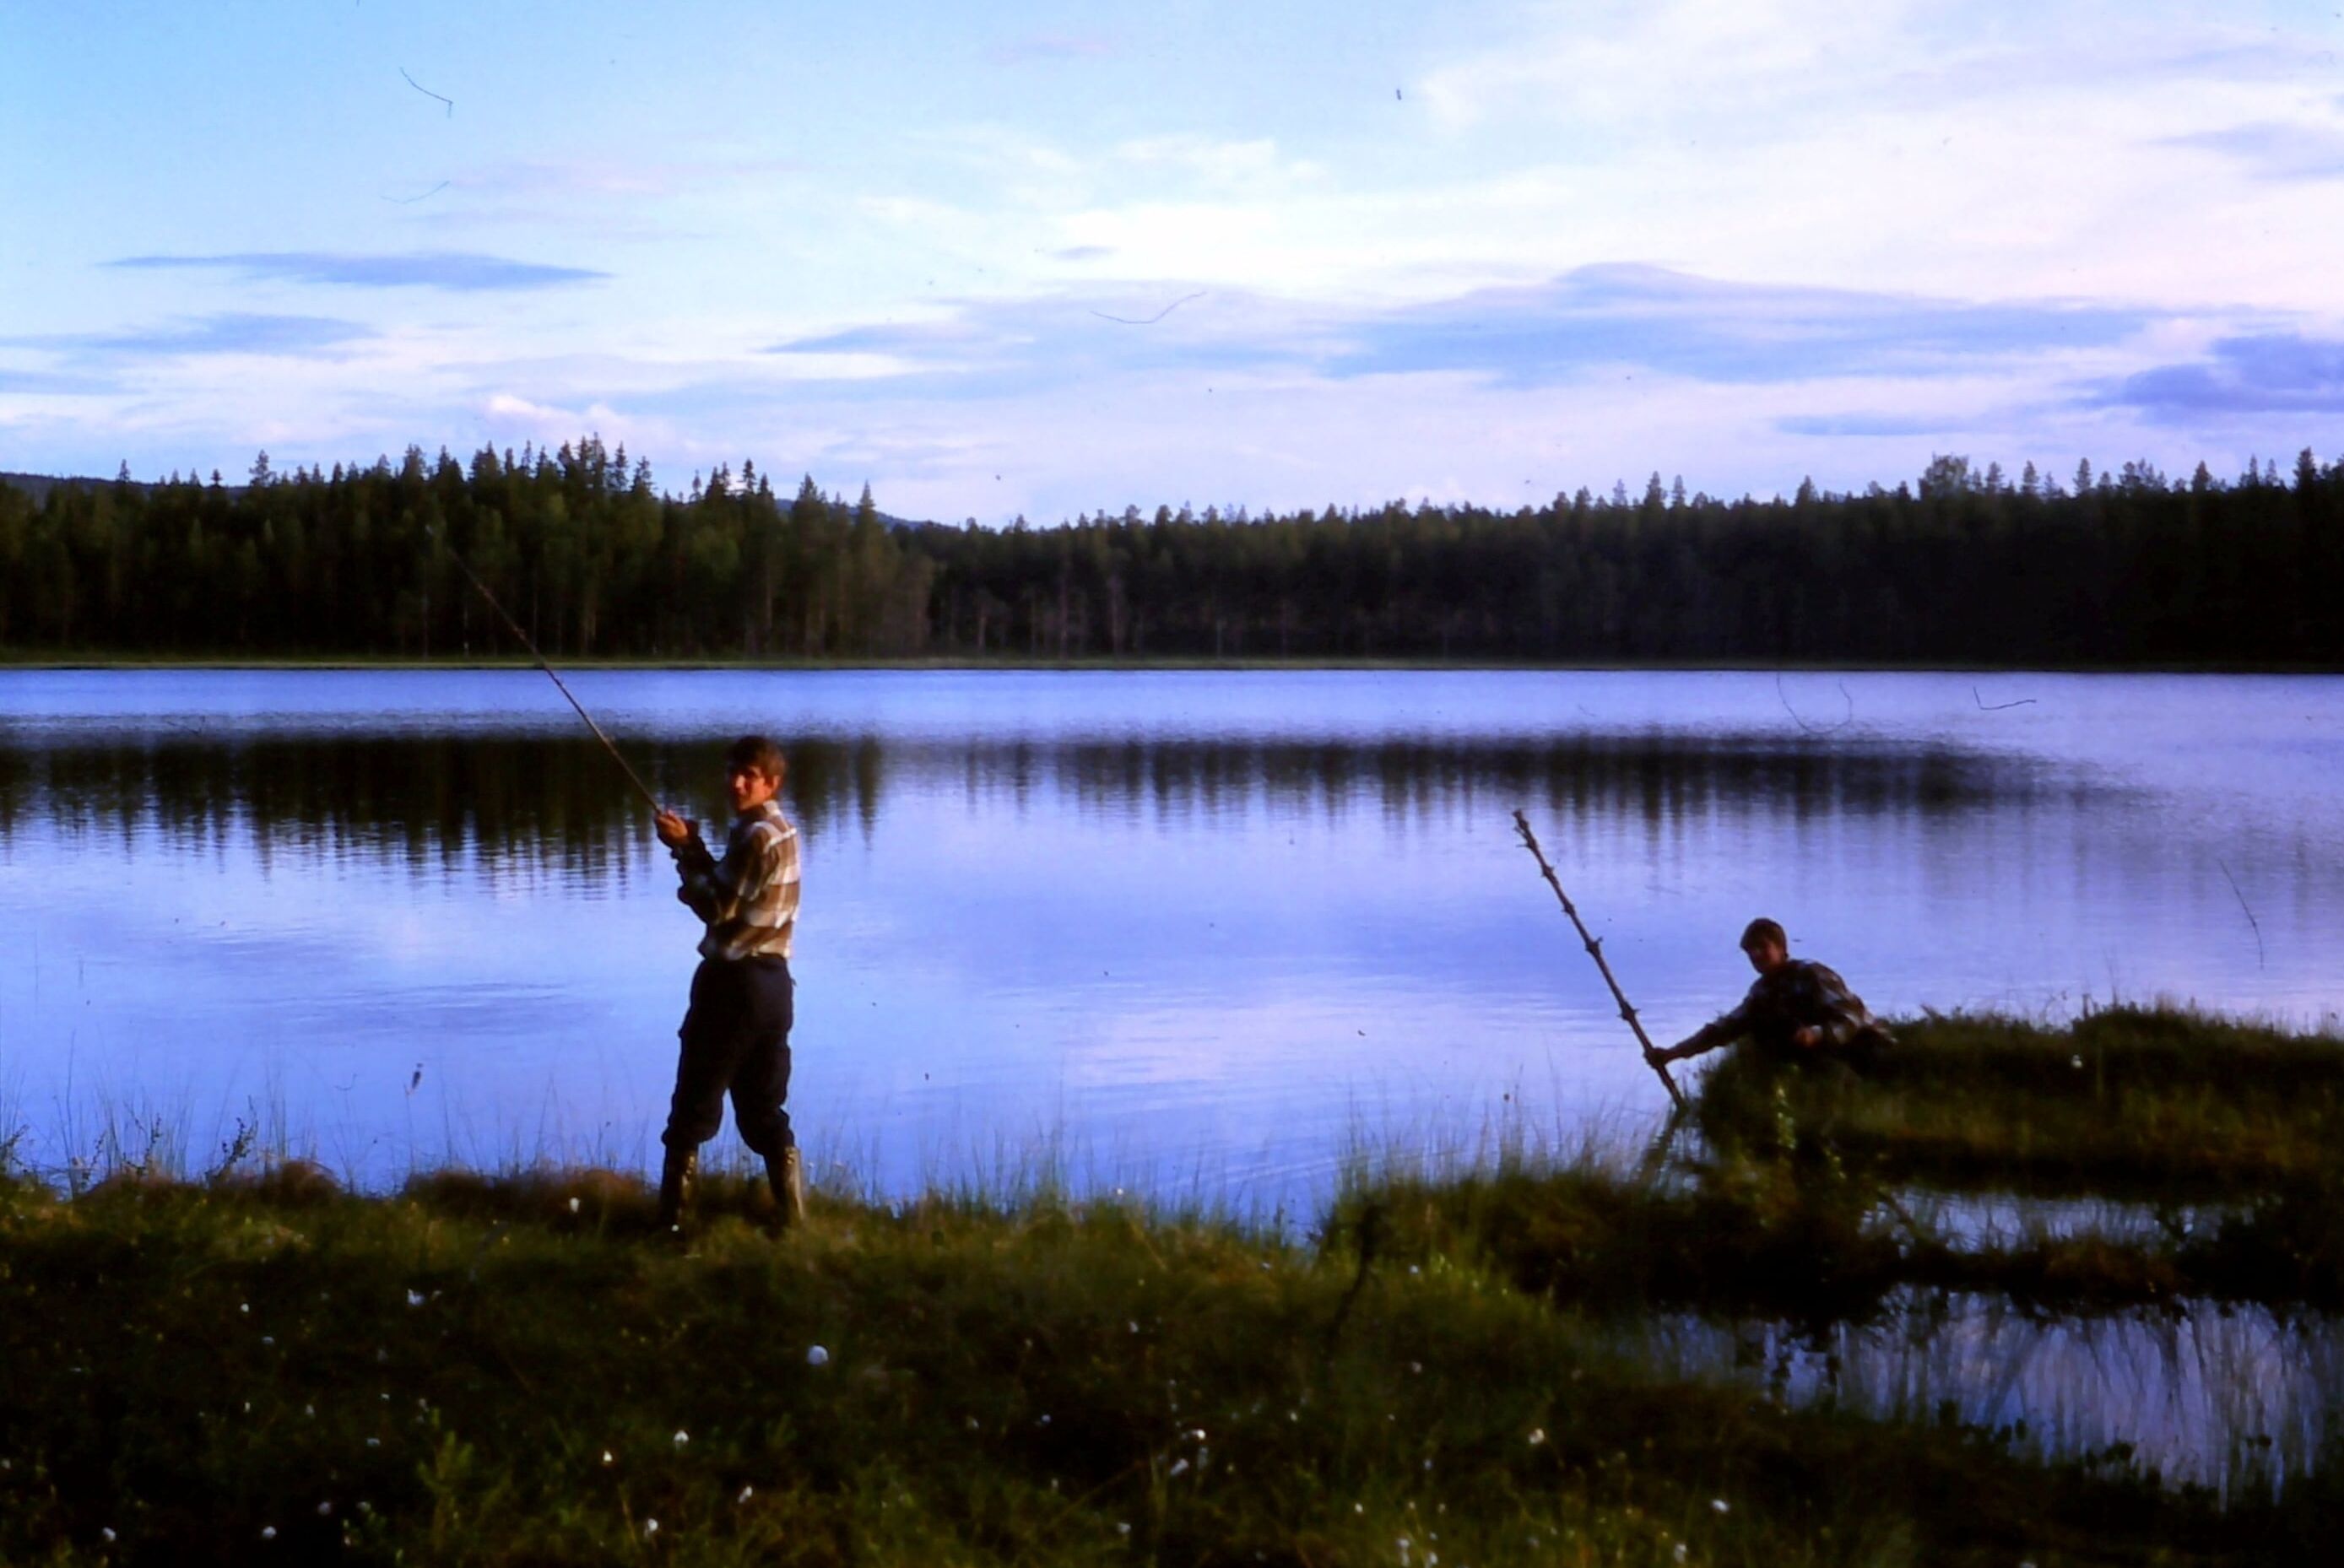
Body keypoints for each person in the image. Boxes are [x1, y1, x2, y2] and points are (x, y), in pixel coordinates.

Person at [652, 734, 804, 1232]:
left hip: (733, 986)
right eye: (733, 772)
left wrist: (682, 852)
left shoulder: (756, 835)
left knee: (692, 1108)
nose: (737, 783)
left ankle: (671, 1227)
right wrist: (694, 846)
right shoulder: (782, 831)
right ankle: (791, 1222)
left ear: (771, 783)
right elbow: (732, 889)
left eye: (751, 776)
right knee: (764, 1109)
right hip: (776, 989)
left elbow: (715, 905)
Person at [1649, 917, 1892, 1069]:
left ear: (1782, 948)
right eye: (1750, 951)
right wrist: (1673, 1054)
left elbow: (1852, 1018)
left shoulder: (1813, 974)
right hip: (1832, 1056)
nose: (1756, 955)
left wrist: (1816, 1034)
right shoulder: (1762, 992)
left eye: (1762, 947)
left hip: (1868, 1047)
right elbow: (1724, 1029)